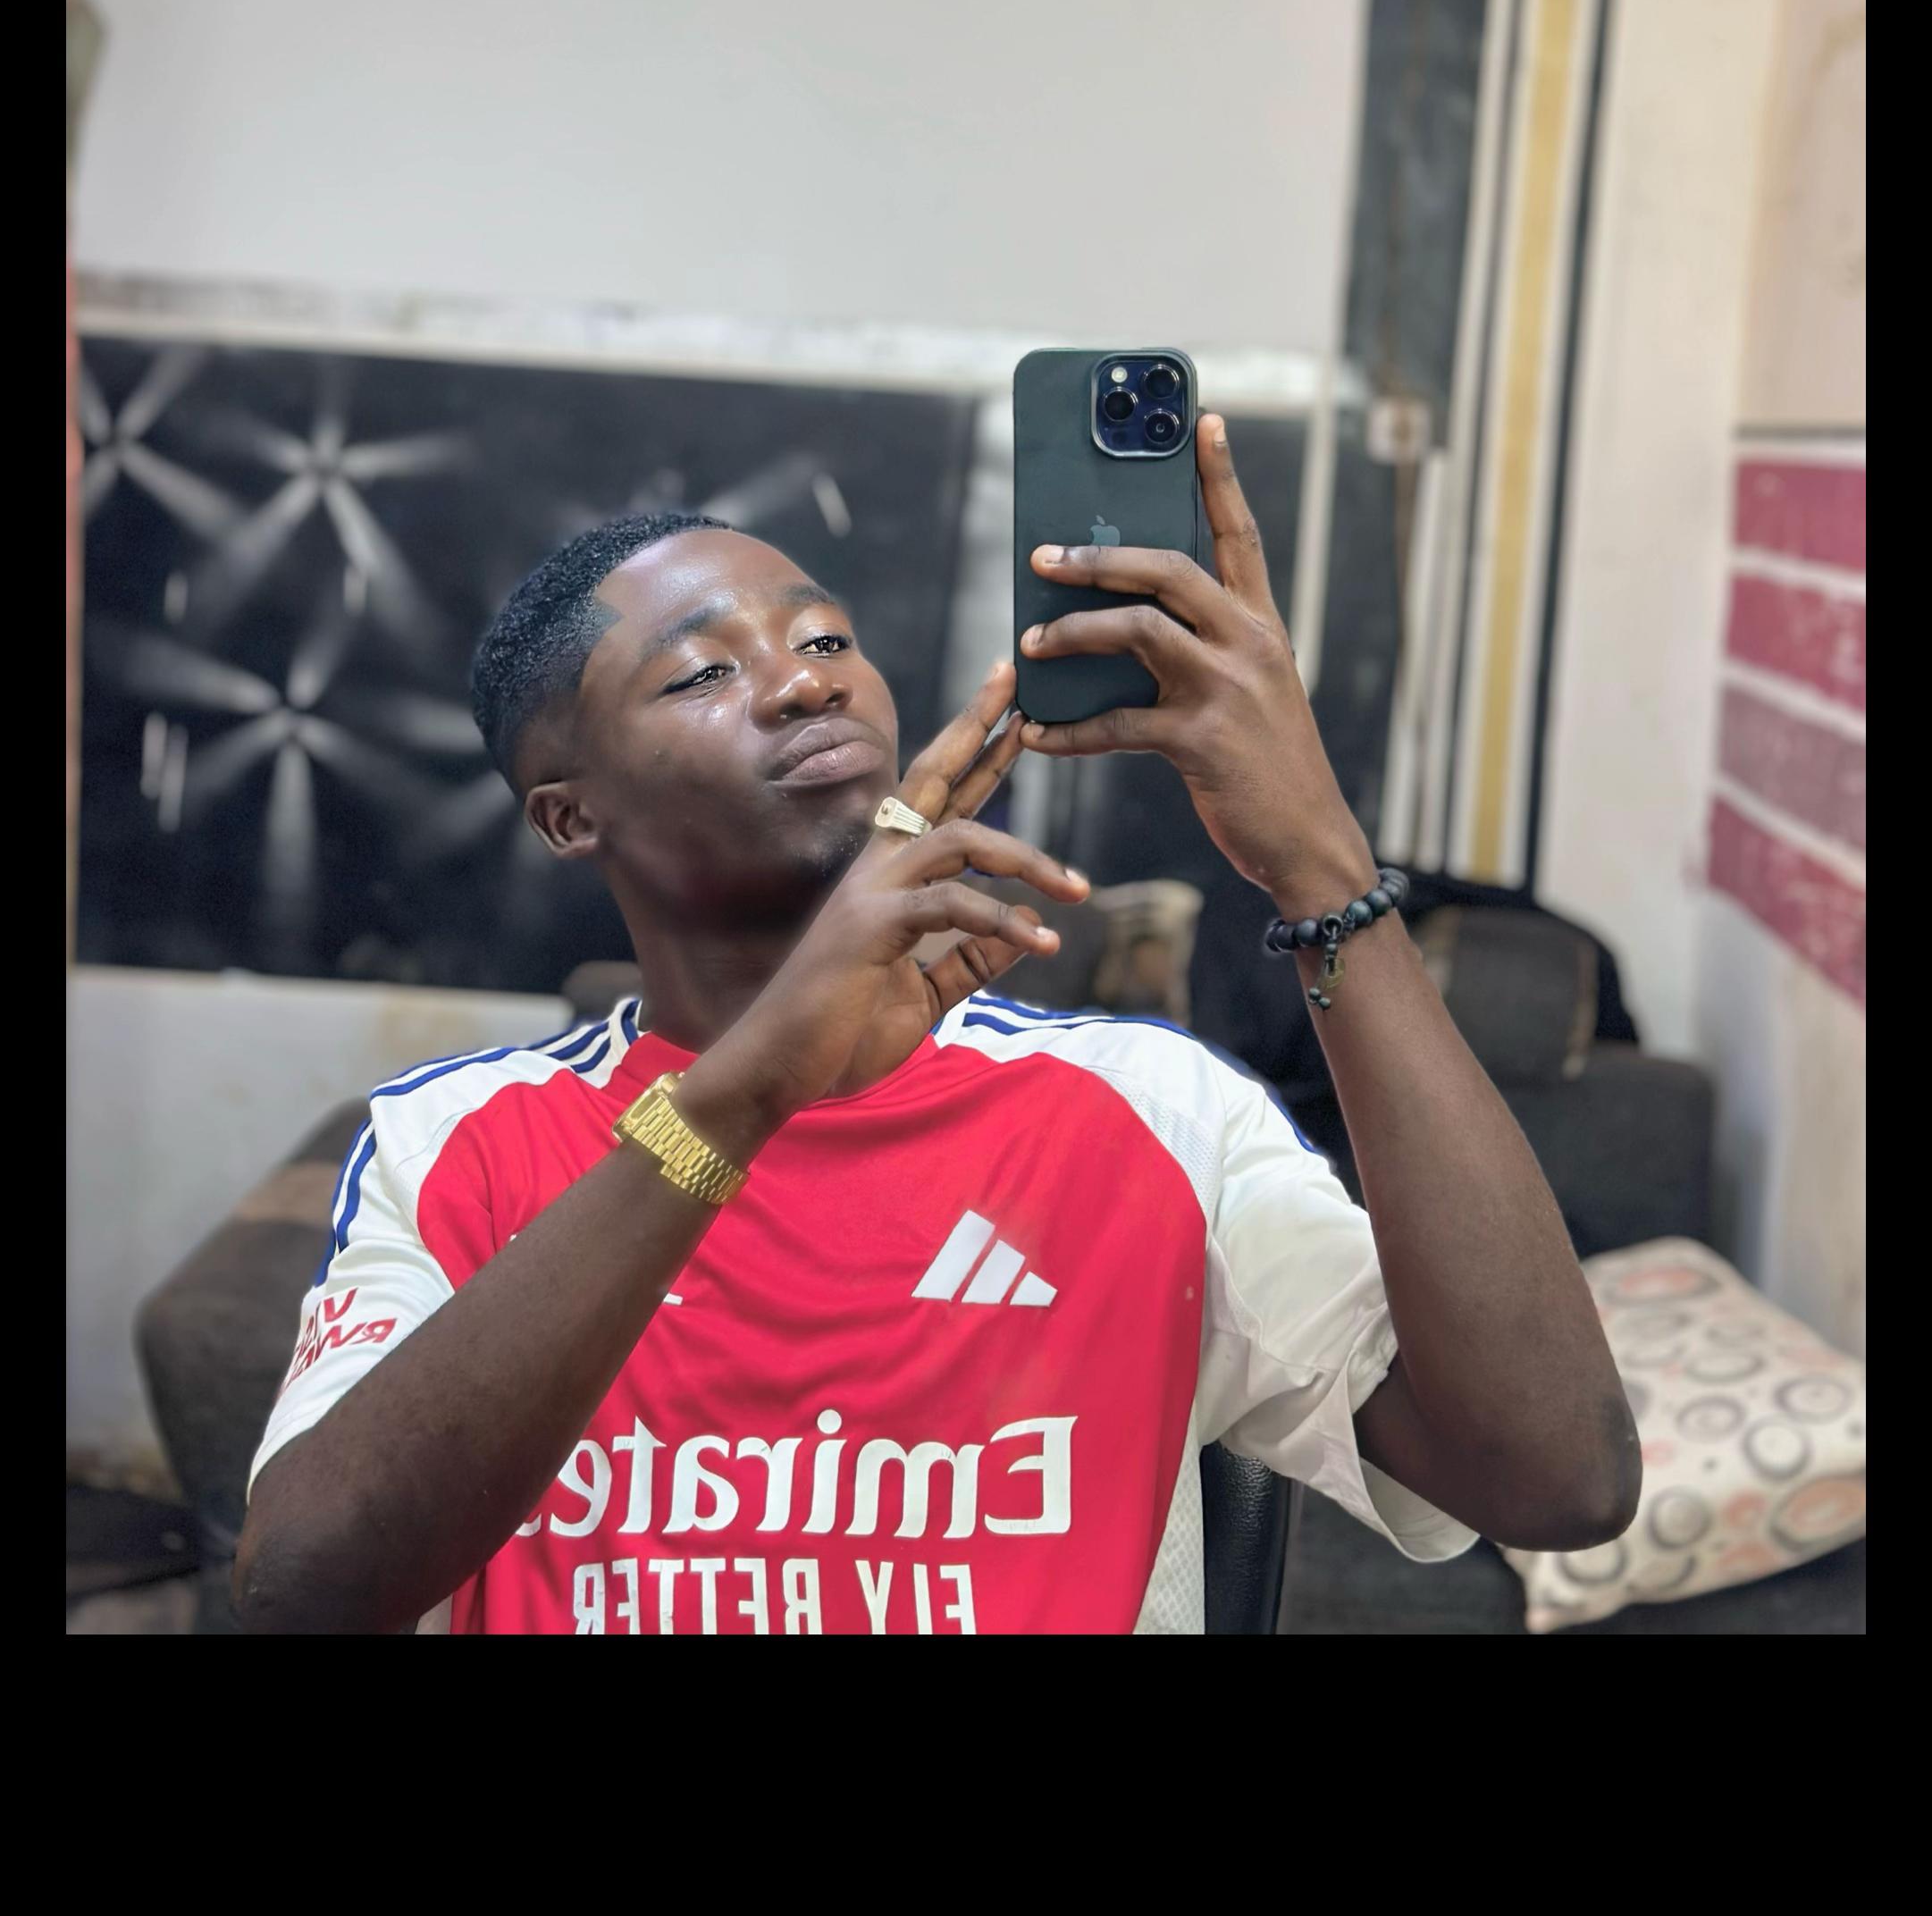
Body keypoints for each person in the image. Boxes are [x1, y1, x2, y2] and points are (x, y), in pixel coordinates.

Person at [233, 416, 1639, 1635]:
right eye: (700, 672)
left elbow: (1557, 1477)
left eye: (824, 637)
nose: (806, 679)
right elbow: (305, 1589)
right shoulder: (459, 1141)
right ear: (568, 814)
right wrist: (743, 1093)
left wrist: (1323, 868)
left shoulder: (1151, 1111)